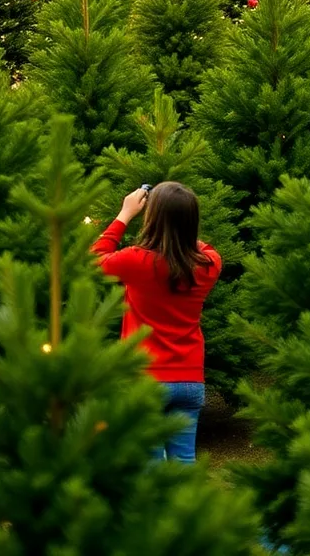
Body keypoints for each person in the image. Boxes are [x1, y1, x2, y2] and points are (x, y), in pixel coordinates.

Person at [91, 182, 223, 462]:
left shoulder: (136, 260)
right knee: (184, 463)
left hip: (145, 378)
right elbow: (200, 245)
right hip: (190, 379)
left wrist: (125, 214)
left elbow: (95, 259)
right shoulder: (210, 263)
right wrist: (178, 223)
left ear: (153, 219)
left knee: (148, 466)